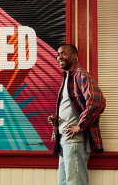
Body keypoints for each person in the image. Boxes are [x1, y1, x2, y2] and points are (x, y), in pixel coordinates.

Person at [47, 44, 106, 185]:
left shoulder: (80, 74)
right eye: (58, 54)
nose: (59, 57)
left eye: (63, 54)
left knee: (75, 182)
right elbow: (74, 107)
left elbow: (97, 102)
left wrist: (80, 126)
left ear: (74, 56)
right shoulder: (68, 77)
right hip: (64, 142)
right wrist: (58, 119)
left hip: (74, 141)